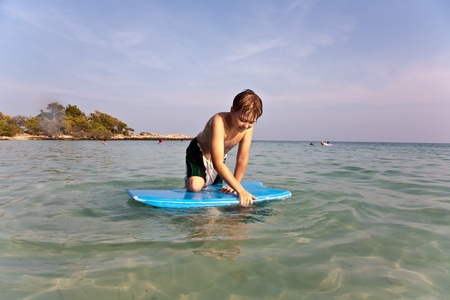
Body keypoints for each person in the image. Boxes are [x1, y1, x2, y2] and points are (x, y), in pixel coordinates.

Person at [185, 89, 263, 206]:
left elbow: (242, 158)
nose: (245, 125)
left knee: (217, 188)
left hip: (219, 157)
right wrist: (240, 190)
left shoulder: (247, 129)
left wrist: (236, 184)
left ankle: (203, 179)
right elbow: (218, 163)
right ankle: (190, 178)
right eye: (242, 120)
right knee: (196, 187)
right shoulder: (219, 121)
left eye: (251, 122)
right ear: (232, 110)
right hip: (199, 151)